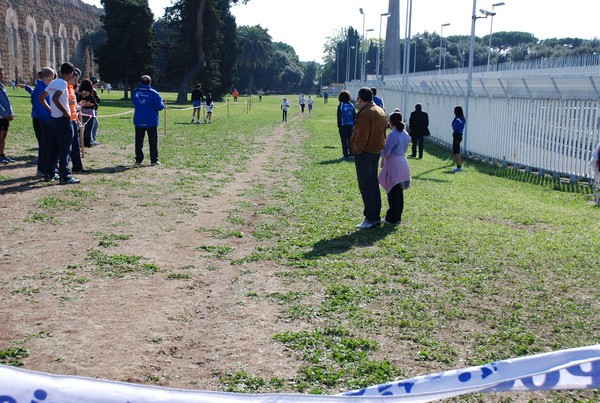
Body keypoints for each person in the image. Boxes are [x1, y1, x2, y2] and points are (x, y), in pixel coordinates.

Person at [350, 87, 387, 229]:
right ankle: (375, 216)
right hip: (375, 151)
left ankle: (371, 218)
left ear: (361, 99)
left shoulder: (366, 113)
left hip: (364, 153)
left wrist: (355, 149)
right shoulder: (380, 110)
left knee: (366, 186)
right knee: (373, 185)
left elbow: (361, 136)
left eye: (358, 99)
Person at [38, 62, 79, 184]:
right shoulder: (62, 83)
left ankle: (50, 172)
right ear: (71, 73)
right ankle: (65, 175)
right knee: (65, 148)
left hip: (54, 119)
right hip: (63, 120)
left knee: (53, 147)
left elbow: (41, 98)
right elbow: (56, 98)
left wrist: (51, 110)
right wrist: (65, 112)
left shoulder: (53, 82)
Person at [379, 112, 411, 225]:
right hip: (403, 162)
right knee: (399, 191)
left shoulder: (392, 135)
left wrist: (380, 154)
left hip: (393, 164)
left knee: (392, 191)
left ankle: (391, 217)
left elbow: (386, 152)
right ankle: (397, 216)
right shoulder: (405, 134)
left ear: (390, 122)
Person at [132, 75, 165, 167]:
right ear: (150, 82)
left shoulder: (135, 92)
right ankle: (154, 160)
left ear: (141, 82)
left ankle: (138, 160)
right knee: (153, 141)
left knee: (138, 141)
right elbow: (159, 107)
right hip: (151, 120)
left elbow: (134, 102)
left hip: (139, 120)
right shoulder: (154, 93)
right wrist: (163, 104)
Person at [31, 67, 55, 175]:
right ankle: (42, 169)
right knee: (45, 144)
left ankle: (44, 167)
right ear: (50, 76)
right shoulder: (41, 88)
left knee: (45, 144)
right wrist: (48, 118)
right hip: (42, 119)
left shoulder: (41, 86)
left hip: (40, 118)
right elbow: (39, 105)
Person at [67, 68, 84, 174]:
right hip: (66, 120)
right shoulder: (65, 88)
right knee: (67, 146)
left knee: (76, 145)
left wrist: (77, 118)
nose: (76, 82)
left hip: (73, 119)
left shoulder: (72, 89)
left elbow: (73, 106)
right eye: (74, 80)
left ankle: (78, 167)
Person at [0, 66, 16, 164]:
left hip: (5, 116)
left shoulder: (1, 85)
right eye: (0, 73)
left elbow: (7, 100)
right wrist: (5, 114)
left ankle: (2, 155)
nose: (2, 75)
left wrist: (11, 113)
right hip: (1, 116)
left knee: (3, 136)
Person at [78, 78, 100, 148]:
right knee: (88, 128)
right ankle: (87, 142)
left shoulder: (80, 93)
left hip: (82, 111)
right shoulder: (90, 93)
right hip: (90, 112)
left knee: (81, 128)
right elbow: (93, 103)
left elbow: (79, 102)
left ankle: (81, 142)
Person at [336, 90, 356, 160]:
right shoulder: (352, 105)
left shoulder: (341, 106)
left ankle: (346, 155)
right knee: (351, 140)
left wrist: (339, 125)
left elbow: (339, 116)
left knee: (344, 140)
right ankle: (352, 153)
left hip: (343, 125)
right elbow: (354, 116)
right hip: (351, 125)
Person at [451, 105, 466, 172]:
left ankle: (459, 167)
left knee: (456, 151)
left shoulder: (458, 119)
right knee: (458, 151)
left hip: (457, 135)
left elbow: (455, 127)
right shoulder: (461, 119)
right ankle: (459, 166)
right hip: (459, 135)